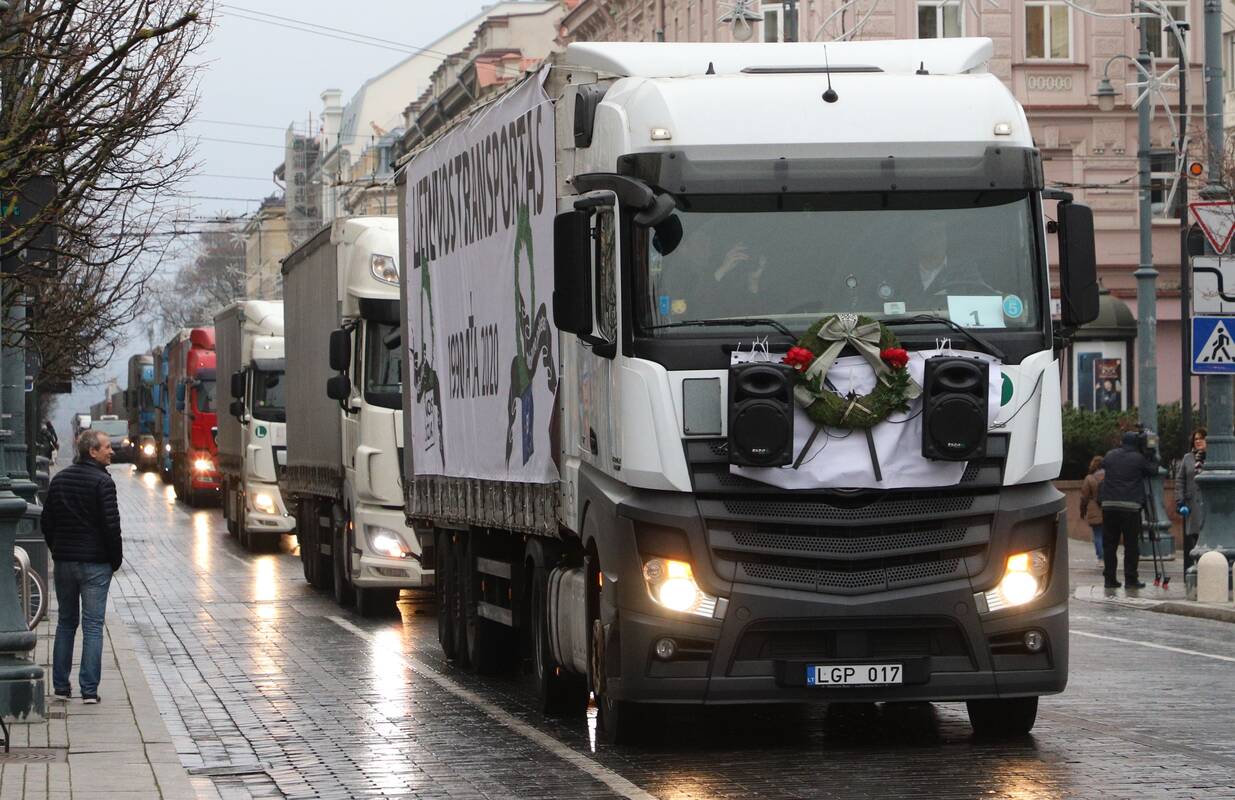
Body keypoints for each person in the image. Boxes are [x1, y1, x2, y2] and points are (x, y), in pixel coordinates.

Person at [40, 430, 123, 703]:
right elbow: (111, 527)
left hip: (64, 562)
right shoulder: (103, 482)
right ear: (93, 452)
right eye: (107, 447)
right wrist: (115, 560)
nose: (112, 451)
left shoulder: (60, 479)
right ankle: (89, 690)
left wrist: (58, 549)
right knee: (93, 625)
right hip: (95, 564)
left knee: (65, 623)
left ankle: (61, 687)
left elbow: (47, 521)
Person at [1098, 430, 1158, 589]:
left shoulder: (1110, 455)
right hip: (1130, 507)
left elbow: (1102, 464)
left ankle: (1110, 579)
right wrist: (1151, 454)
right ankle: (1131, 579)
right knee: (1131, 545)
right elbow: (1153, 470)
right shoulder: (1139, 458)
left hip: (1109, 505)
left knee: (1110, 544)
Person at [1175, 427, 1207, 574]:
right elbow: (1180, 480)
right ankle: (1198, 568)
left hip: (1209, 506)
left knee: (1208, 536)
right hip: (1192, 505)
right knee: (1196, 537)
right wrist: (1180, 501)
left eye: (1201, 438)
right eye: (1196, 439)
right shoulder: (1188, 458)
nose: (1198, 441)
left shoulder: (1214, 456)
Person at [1079, 456, 1105, 565]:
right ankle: (1109, 557)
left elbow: (1084, 497)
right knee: (1108, 535)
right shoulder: (1110, 476)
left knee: (1098, 535)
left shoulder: (1089, 479)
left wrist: (1082, 510)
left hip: (1094, 508)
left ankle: (1101, 559)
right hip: (1108, 508)